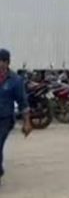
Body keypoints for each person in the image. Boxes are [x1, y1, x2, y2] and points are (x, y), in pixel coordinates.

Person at [0, 48, 32, 186]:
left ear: (7, 62)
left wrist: (27, 122)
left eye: (2, 61)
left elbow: (23, 102)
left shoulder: (15, 80)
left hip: (5, 119)